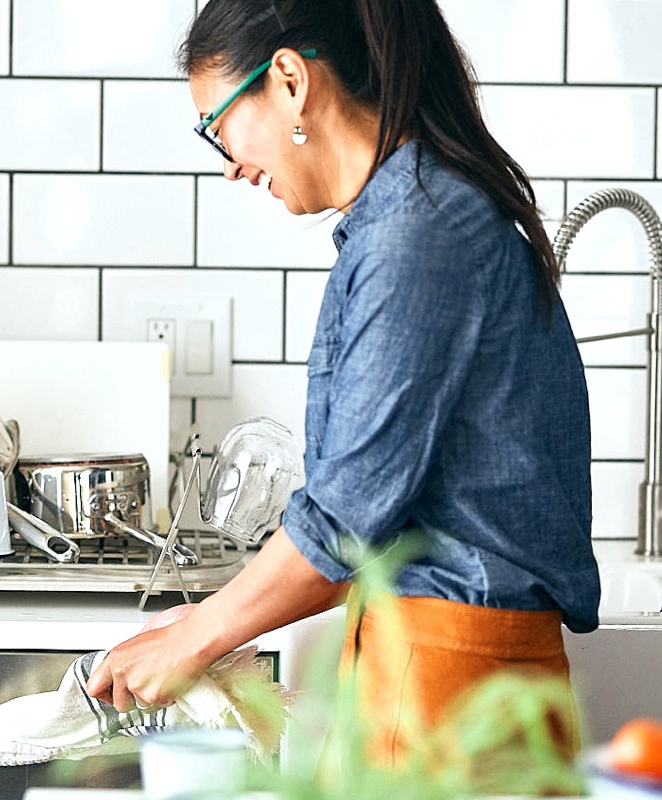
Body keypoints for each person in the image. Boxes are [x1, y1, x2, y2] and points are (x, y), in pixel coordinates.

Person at [86, 0, 601, 765]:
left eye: (216, 124)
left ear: (290, 80)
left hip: (449, 688)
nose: (227, 162)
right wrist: (208, 624)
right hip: (446, 671)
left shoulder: (419, 235)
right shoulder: (417, 217)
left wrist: (195, 635)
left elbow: (347, 521)